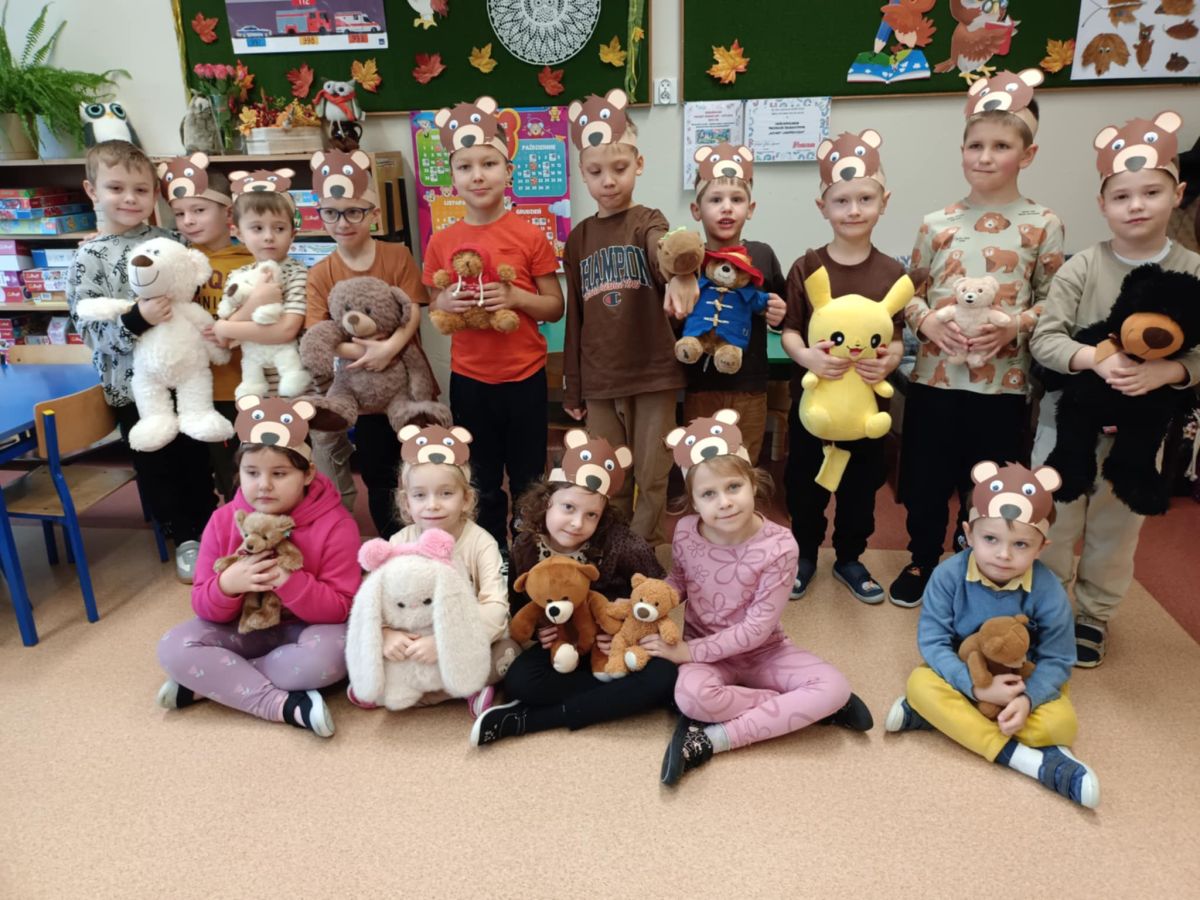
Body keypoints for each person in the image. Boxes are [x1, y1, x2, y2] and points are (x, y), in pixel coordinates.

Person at [1030, 109, 1200, 667]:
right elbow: (1045, 339)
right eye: (1122, 196)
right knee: (1053, 519)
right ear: (1103, 204)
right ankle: (1047, 609)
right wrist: (1095, 360)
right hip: (1066, 425)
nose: (1137, 205)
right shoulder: (1082, 266)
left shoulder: (1193, 271)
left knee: (1116, 529)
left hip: (1140, 432)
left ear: (1178, 194)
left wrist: (1169, 372)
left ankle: (1093, 615)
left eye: (1151, 192)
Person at [890, 73, 1065, 608]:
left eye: (1001, 146)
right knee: (926, 479)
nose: (985, 157)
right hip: (934, 381)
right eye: (975, 145)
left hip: (1003, 386)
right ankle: (922, 557)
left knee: (989, 484)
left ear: (1027, 154)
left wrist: (1014, 325)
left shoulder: (1043, 224)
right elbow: (907, 294)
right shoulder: (936, 223)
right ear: (962, 150)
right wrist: (925, 322)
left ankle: (975, 562)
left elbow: (1054, 303)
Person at [654, 410, 872, 786]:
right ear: (693, 502)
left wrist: (687, 653)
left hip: (764, 651)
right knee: (691, 698)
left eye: (733, 487)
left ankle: (713, 740)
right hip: (708, 654)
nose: (724, 502)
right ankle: (802, 710)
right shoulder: (686, 531)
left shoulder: (781, 545)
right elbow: (680, 581)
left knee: (835, 687)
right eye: (709, 494)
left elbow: (756, 629)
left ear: (753, 483)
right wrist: (653, 600)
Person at [884, 461, 1100, 809]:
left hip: (1020, 680)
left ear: (1041, 547)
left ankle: (938, 718)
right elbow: (933, 643)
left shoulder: (1048, 590)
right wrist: (976, 688)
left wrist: (1026, 699)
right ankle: (1021, 758)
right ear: (968, 535)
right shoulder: (947, 576)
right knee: (920, 684)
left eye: (1021, 544)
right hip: (965, 671)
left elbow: (1058, 658)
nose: (1003, 554)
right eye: (990, 539)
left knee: (1062, 724)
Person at [156, 398, 361, 738]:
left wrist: (290, 582)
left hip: (310, 631)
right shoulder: (223, 520)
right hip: (244, 628)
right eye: (252, 473)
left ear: (308, 474)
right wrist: (227, 585)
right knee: (173, 648)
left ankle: (212, 682)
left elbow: (341, 608)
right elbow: (202, 605)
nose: (264, 485)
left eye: (279, 474)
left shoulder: (337, 524)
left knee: (332, 659)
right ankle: (280, 704)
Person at [66, 140, 219, 583]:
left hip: (184, 374)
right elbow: (88, 329)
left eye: (141, 189)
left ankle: (209, 527)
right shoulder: (87, 257)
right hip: (132, 383)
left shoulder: (171, 240)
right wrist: (136, 319)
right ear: (92, 191)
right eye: (116, 188)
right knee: (156, 462)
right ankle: (183, 536)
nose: (130, 199)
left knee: (195, 455)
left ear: (155, 194)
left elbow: (194, 290)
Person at [471, 430, 676, 746]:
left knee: (664, 675)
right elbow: (519, 603)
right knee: (520, 681)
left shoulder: (622, 542)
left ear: (602, 516)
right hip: (564, 646)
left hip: (614, 644)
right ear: (547, 502)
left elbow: (658, 589)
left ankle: (530, 720)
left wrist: (627, 628)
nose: (577, 523)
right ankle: (624, 697)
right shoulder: (526, 546)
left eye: (591, 515)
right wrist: (540, 631)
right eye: (568, 507)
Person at [423, 97, 564, 551]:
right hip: (470, 380)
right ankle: (490, 552)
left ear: (509, 172)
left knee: (528, 477)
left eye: (488, 164)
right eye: (465, 167)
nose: (477, 175)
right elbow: (434, 306)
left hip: (525, 378)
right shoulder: (441, 241)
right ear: (453, 177)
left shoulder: (529, 235)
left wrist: (517, 298)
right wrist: (445, 300)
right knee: (480, 480)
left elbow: (554, 306)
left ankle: (526, 548)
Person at [782, 129, 910, 604]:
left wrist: (889, 361)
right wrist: (807, 357)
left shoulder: (892, 273)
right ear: (824, 207)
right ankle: (804, 555)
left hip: (867, 413)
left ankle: (850, 557)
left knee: (860, 489)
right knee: (805, 488)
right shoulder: (808, 266)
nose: (853, 210)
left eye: (865, 199)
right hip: (815, 406)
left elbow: (896, 336)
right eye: (841, 201)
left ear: (883, 202)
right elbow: (791, 330)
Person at [561, 90, 687, 547]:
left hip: (652, 373)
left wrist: (681, 271)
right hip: (600, 378)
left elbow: (665, 248)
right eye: (596, 172)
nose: (608, 181)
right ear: (583, 174)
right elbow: (575, 318)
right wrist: (573, 386)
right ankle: (611, 549)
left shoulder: (648, 219)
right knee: (606, 474)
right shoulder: (578, 239)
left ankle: (642, 552)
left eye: (619, 168)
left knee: (653, 475)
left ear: (639, 164)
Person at [305, 149, 433, 534]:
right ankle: (393, 540)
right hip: (362, 392)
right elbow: (321, 334)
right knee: (379, 474)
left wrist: (390, 348)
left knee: (422, 464)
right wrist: (367, 353)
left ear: (373, 214)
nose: (343, 222)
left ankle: (429, 535)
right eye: (331, 213)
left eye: (353, 212)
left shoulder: (397, 255)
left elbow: (412, 310)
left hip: (408, 383)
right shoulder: (321, 272)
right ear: (320, 215)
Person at [350, 424, 520, 715]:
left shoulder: (481, 543)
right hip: (413, 641)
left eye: (445, 493)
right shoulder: (399, 541)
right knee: (365, 642)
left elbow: (495, 608)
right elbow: (371, 601)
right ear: (406, 502)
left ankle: (443, 692)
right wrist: (386, 634)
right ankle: (435, 687)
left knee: (508, 652)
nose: (432, 505)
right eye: (420, 495)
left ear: (466, 499)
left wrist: (444, 641)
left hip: (462, 640)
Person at [684, 143, 787, 465]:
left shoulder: (763, 255)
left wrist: (780, 314)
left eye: (736, 200)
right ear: (697, 210)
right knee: (700, 462)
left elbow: (784, 312)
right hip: (700, 383)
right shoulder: (689, 260)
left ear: (750, 208)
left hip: (750, 383)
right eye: (715, 200)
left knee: (743, 461)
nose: (726, 208)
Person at [160, 156, 253, 500]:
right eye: (179, 213)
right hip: (203, 389)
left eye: (198, 210)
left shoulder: (253, 258)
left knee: (257, 464)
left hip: (247, 382)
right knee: (225, 473)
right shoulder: (175, 261)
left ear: (228, 213)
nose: (188, 221)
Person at [211, 181, 309, 397]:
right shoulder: (237, 277)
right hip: (257, 388)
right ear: (238, 232)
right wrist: (254, 302)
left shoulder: (299, 273)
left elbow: (286, 331)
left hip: (300, 387)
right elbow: (225, 341)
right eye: (257, 228)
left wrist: (224, 326)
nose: (268, 236)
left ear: (293, 233)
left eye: (279, 228)